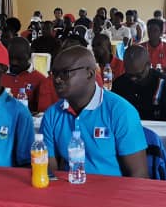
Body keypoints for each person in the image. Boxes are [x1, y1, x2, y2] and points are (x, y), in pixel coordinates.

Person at [40, 46, 148, 178]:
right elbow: (48, 173)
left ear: (90, 74)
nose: (57, 79)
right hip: (69, 187)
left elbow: (139, 174)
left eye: (65, 73)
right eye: (54, 73)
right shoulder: (52, 115)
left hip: (113, 189)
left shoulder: (120, 112)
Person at [112, 45, 166, 121]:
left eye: (138, 75)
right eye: (129, 75)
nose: (133, 79)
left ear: (148, 65)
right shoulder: (118, 85)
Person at [0, 37, 46, 112]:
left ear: (29, 55)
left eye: (19, 59)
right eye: (10, 58)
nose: (14, 62)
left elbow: (41, 113)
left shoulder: (40, 80)